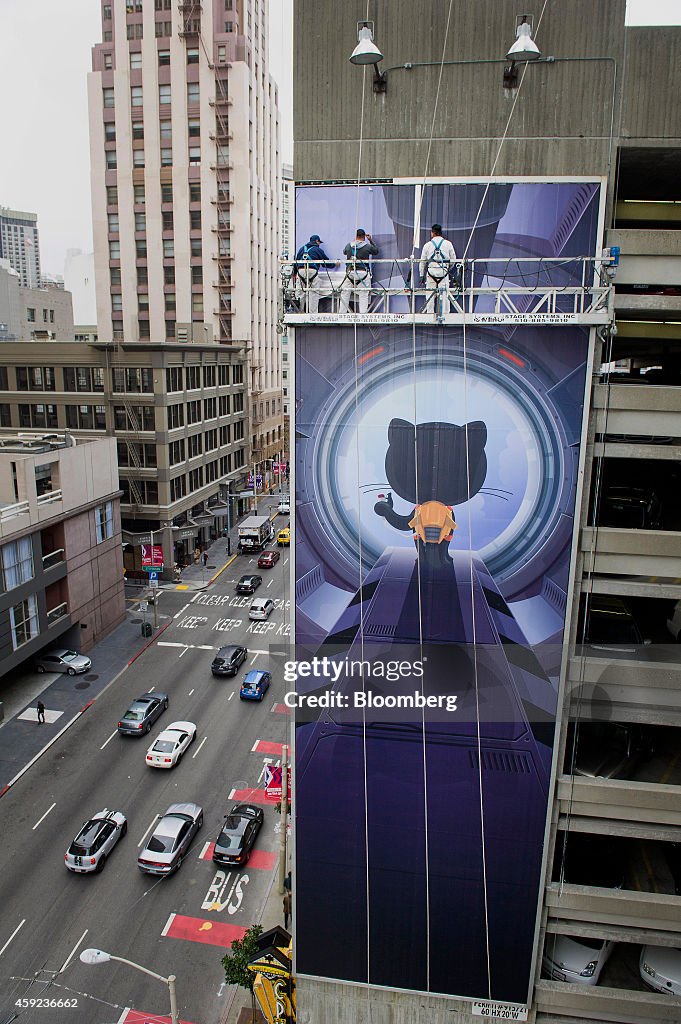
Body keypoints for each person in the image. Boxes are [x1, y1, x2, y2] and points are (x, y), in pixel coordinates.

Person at [419, 224, 457, 313]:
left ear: (433, 233)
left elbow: (422, 262)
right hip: (443, 273)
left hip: (431, 273)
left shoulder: (427, 245)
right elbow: (453, 259)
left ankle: (430, 314)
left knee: (430, 296)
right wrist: (447, 268)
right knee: (444, 296)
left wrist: (421, 275)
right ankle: (445, 314)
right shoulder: (448, 244)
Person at [340, 229, 379, 314]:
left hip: (350, 273)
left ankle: (341, 313)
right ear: (363, 236)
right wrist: (371, 240)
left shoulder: (349, 245)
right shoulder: (367, 246)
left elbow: (344, 252)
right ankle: (363, 314)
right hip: (362, 273)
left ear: (356, 236)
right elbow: (376, 251)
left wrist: (353, 243)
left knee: (345, 293)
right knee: (363, 294)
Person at [294, 234, 335, 312]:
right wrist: (334, 265)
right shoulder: (317, 250)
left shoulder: (302, 249)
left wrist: (295, 273)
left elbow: (296, 261)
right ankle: (313, 313)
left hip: (301, 271)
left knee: (300, 293)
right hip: (312, 271)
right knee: (314, 292)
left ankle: (299, 311)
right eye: (319, 242)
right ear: (317, 241)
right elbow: (325, 262)